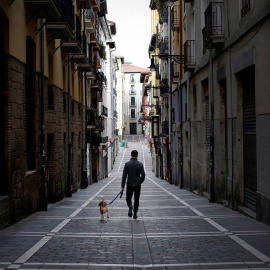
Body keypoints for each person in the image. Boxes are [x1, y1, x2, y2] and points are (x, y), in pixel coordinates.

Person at [121, 150, 145, 219]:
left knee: (128, 198)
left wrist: (122, 186)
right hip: (137, 185)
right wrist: (140, 181)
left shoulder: (127, 164)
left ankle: (130, 206)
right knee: (136, 199)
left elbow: (124, 176)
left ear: (131, 155)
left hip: (129, 184)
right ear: (137, 155)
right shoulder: (140, 164)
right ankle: (135, 214)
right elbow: (143, 175)